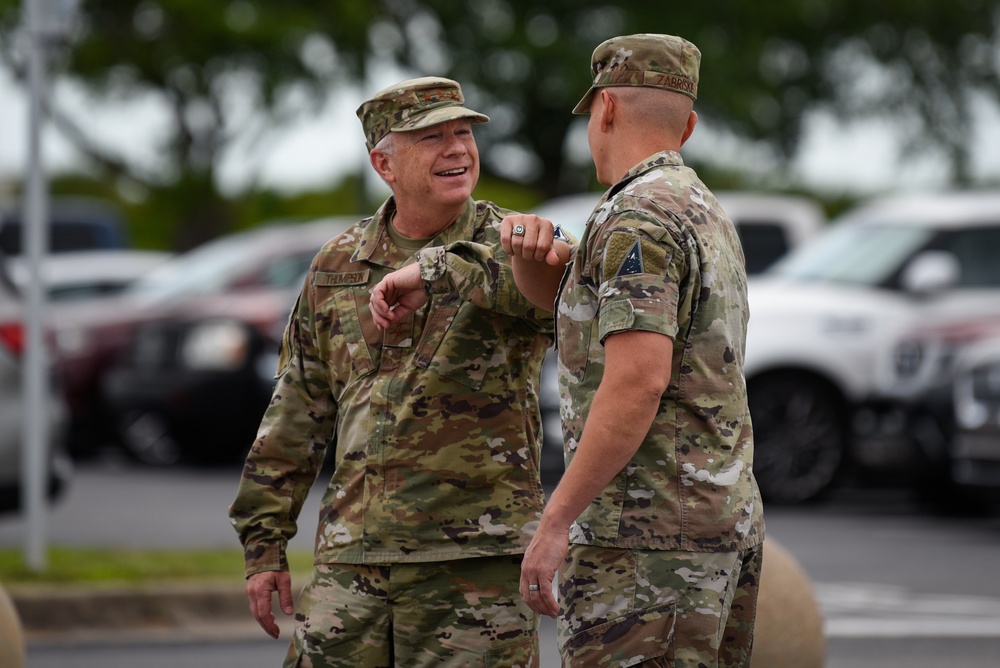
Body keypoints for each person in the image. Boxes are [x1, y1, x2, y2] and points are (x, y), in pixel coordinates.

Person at [228, 76, 554, 667]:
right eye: (432, 137)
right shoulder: (336, 265)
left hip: (473, 562)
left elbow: (566, 282)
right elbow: (298, 408)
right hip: (353, 559)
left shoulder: (512, 244)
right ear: (384, 162)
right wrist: (264, 540)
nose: (458, 149)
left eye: (464, 133)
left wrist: (437, 269)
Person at [501, 34, 767, 666]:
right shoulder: (702, 208)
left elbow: (638, 379)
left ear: (607, 110)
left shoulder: (635, 220)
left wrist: (557, 519)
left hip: (647, 544)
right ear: (690, 125)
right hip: (718, 525)